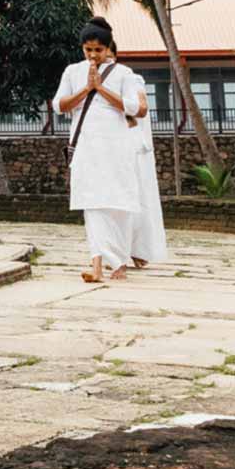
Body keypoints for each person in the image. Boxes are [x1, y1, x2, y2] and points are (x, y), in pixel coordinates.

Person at [52, 18, 149, 282]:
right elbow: (59, 105)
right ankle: (96, 266)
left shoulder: (124, 73)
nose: (93, 55)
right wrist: (86, 89)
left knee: (118, 204)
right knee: (92, 205)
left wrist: (101, 89)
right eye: (88, 50)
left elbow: (138, 108)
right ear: (82, 48)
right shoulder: (72, 71)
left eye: (98, 50)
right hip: (86, 146)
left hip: (117, 146)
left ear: (108, 48)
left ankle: (119, 263)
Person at [115, 35, 168, 268]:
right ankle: (116, 250)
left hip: (134, 148)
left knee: (140, 199)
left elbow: (139, 110)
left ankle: (140, 249)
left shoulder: (130, 78)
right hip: (112, 150)